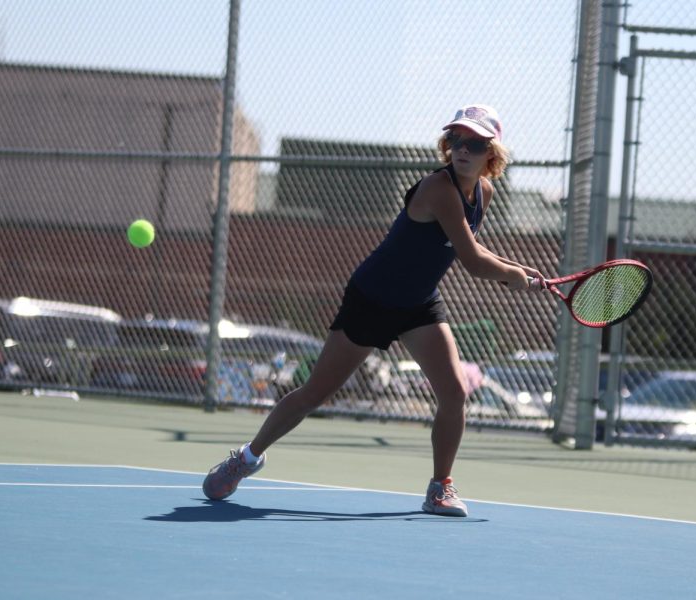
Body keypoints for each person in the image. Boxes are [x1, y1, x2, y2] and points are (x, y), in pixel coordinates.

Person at [202, 104, 545, 517]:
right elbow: (471, 262)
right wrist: (512, 275)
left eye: (474, 142)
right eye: (456, 140)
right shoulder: (438, 188)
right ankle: (247, 457)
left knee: (454, 393)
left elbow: (467, 243)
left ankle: (440, 488)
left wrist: (517, 270)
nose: (462, 149)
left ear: (492, 153)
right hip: (373, 299)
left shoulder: (483, 193)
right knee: (316, 392)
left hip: (419, 303)